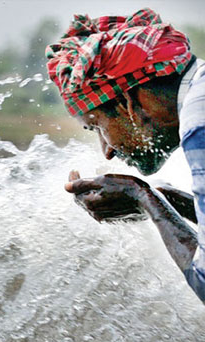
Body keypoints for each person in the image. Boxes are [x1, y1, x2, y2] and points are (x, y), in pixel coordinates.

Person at [46, 8, 205, 301]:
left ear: (128, 104)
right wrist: (174, 203)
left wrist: (144, 198)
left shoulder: (199, 126)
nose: (106, 152)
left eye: (96, 126)